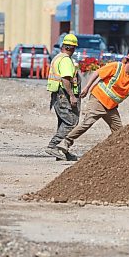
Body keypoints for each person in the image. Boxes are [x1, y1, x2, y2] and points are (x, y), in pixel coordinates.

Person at [54, 50, 129, 159]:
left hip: (111, 107)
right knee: (87, 123)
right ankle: (65, 143)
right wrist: (87, 87)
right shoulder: (116, 67)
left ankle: (119, 153)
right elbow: (97, 73)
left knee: (119, 131)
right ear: (127, 61)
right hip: (98, 99)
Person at [45, 33, 81, 161]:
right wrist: (72, 95)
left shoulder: (57, 57)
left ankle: (62, 152)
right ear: (72, 48)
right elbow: (66, 79)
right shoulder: (65, 60)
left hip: (57, 95)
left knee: (63, 123)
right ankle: (53, 146)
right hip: (63, 95)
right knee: (71, 121)